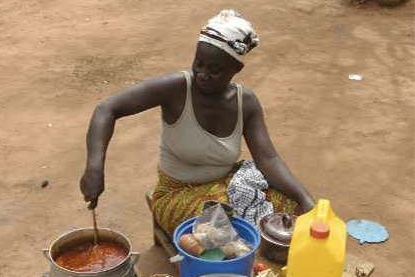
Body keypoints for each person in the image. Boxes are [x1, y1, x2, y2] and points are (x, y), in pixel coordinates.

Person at [80, 10, 315, 236]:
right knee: (221, 235)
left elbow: (268, 159)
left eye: (214, 70)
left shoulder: (247, 103)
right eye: (198, 63)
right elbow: (106, 110)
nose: (202, 74)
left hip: (228, 185)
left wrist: (305, 200)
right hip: (177, 193)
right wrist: (94, 167)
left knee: (290, 214)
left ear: (236, 69)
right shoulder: (177, 89)